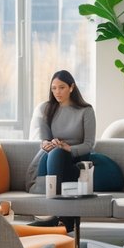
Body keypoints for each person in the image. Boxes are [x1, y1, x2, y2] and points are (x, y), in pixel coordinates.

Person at [27, 70, 96, 228]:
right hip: (55, 156)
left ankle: (62, 219)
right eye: (54, 88)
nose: (57, 92)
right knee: (57, 153)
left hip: (77, 157)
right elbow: (43, 138)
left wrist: (69, 148)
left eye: (61, 87)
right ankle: (63, 219)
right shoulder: (47, 108)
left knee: (60, 153)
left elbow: (89, 144)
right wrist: (46, 143)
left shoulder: (86, 111)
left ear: (71, 87)